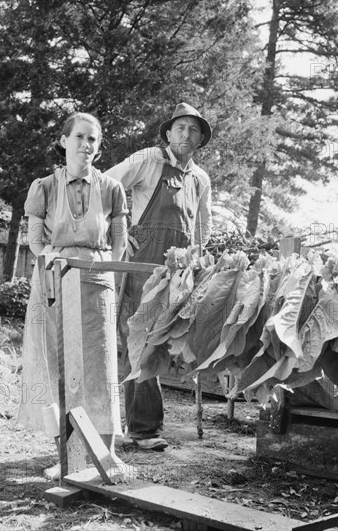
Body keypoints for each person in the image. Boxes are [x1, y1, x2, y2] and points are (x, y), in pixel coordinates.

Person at [17, 112, 128, 476]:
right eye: (79, 137)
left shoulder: (112, 188)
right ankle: (66, 456)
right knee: (57, 364)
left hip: (97, 283)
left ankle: (107, 454)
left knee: (101, 364)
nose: (86, 145)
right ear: (64, 141)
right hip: (52, 282)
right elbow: (35, 242)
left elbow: (119, 244)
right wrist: (57, 262)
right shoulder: (44, 187)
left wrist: (101, 269)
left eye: (93, 139)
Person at [105, 102, 212, 451]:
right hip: (143, 266)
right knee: (142, 339)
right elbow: (103, 186)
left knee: (166, 342)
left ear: (200, 139)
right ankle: (142, 430)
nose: (186, 134)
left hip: (179, 272)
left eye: (193, 130)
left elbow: (201, 229)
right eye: (180, 127)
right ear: (168, 133)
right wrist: (119, 230)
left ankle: (139, 426)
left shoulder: (200, 178)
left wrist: (197, 259)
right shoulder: (148, 160)